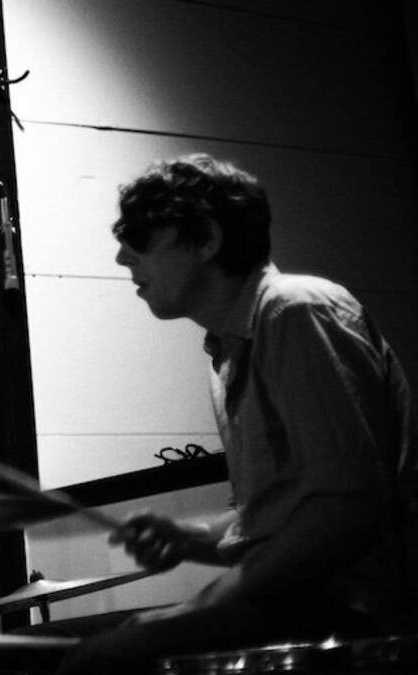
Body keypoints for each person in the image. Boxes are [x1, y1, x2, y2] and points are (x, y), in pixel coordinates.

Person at [55, 154, 417, 674]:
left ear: (207, 239)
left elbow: (345, 509)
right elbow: (280, 514)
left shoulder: (296, 310)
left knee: (97, 659)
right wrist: (193, 537)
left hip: (352, 609)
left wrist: (207, 600)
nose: (120, 256)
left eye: (139, 236)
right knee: (41, 646)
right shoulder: (227, 349)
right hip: (293, 599)